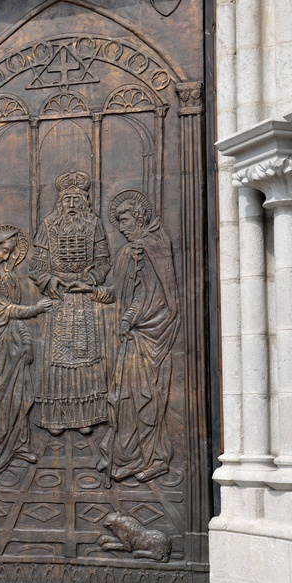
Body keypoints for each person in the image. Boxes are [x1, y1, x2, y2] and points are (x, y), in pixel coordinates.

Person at [29, 170, 113, 436]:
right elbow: (37, 265)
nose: (73, 205)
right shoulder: (48, 226)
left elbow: (103, 260)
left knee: (85, 359)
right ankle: (55, 418)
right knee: (56, 363)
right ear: (60, 202)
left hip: (83, 300)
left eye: (78, 199)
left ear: (85, 201)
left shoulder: (94, 224)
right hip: (58, 300)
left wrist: (89, 279)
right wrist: (50, 280)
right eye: (68, 200)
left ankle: (86, 416)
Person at [105, 190, 181, 482]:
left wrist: (131, 317)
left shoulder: (151, 247)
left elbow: (154, 294)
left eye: (124, 219)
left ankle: (156, 458)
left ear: (139, 216)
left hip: (150, 334)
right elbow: (122, 293)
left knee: (148, 398)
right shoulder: (133, 250)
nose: (122, 227)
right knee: (126, 399)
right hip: (133, 335)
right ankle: (130, 457)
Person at [0, 225, 54, 483]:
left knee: (19, 397)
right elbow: (0, 310)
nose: (6, 257)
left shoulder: (9, 278)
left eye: (10, 253)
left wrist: (27, 340)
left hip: (14, 345)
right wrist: (35, 309)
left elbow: (13, 315)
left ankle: (17, 444)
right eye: (3, 251)